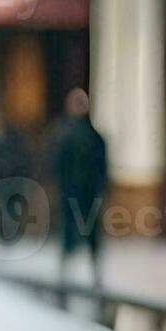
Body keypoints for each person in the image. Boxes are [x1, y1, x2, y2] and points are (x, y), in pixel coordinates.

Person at [51, 89, 108, 286]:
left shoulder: (86, 136)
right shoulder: (71, 135)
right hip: (76, 191)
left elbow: (100, 166)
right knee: (75, 230)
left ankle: (79, 270)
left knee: (85, 231)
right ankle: (69, 269)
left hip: (82, 191)